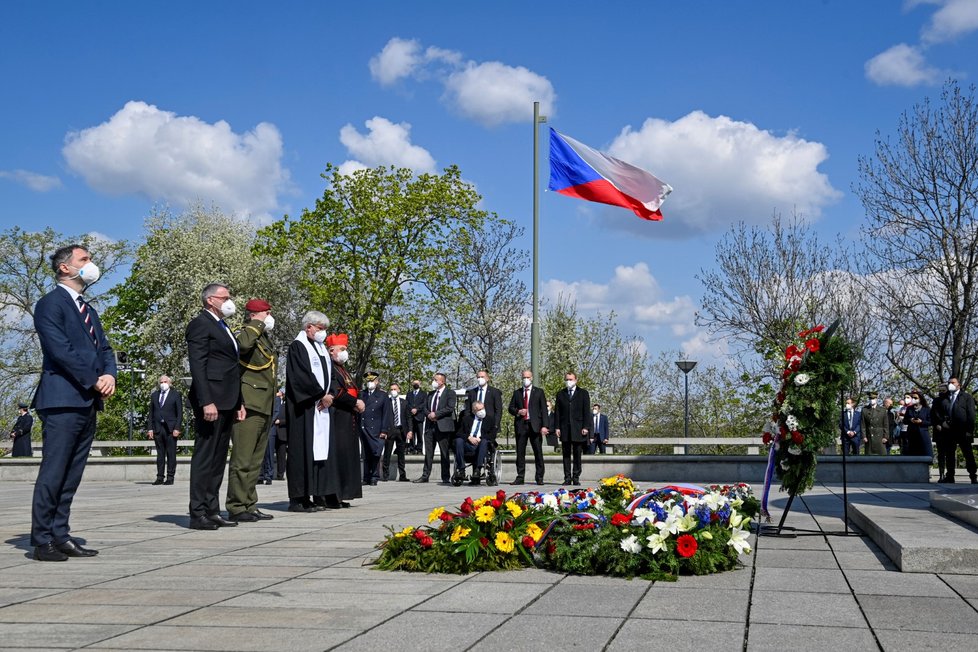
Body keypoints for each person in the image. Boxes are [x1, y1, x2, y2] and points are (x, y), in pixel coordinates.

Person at [30, 244, 116, 560]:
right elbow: (60, 349)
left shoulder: (88, 309)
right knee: (54, 471)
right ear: (65, 267)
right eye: (84, 259)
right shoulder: (50, 305)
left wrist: (109, 376)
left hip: (86, 400)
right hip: (62, 400)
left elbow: (105, 349)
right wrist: (93, 378)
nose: (91, 264)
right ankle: (41, 540)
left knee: (72, 474)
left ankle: (60, 534)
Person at [186, 283, 245, 531]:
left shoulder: (223, 325)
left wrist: (239, 401)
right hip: (211, 400)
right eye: (225, 297)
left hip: (228, 399)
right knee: (205, 455)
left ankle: (213, 509)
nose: (229, 301)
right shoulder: (200, 323)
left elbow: (232, 367)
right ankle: (197, 511)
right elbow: (198, 365)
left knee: (219, 457)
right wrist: (205, 400)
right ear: (210, 300)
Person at [225, 299, 277, 523]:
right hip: (249, 403)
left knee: (255, 460)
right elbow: (243, 347)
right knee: (242, 459)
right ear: (257, 314)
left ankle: (249, 503)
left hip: (264, 403)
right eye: (266, 312)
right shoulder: (246, 332)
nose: (269, 317)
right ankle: (236, 506)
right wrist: (256, 324)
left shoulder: (262, 336)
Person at [285, 312, 334, 512]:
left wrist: (328, 394)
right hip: (303, 407)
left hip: (320, 407)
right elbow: (301, 377)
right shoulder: (298, 347)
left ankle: (313, 494)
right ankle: (298, 498)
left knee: (317, 451)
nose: (323, 332)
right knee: (301, 450)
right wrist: (320, 394)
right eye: (320, 328)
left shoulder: (320, 348)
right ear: (309, 327)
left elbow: (327, 375)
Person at [323, 333, 364, 508]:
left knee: (347, 456)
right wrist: (355, 402)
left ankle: (343, 494)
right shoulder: (330, 367)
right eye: (343, 349)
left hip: (349, 417)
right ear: (332, 350)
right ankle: (333, 496)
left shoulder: (343, 369)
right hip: (338, 417)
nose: (345, 353)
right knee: (337, 456)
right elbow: (337, 391)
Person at [507, 369, 548, 485]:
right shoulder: (517, 393)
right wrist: (518, 411)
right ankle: (520, 476)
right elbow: (510, 408)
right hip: (521, 425)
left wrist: (545, 426)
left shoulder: (539, 392)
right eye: (524, 377)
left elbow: (544, 410)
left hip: (535, 425)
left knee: (538, 452)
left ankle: (539, 477)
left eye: (528, 377)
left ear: (532, 378)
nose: (526, 379)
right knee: (520, 452)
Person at [414, 373, 456, 484]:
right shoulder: (430, 394)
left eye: (435, 380)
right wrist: (429, 415)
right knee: (428, 452)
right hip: (429, 427)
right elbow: (425, 407)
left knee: (444, 452)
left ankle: (445, 477)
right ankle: (425, 475)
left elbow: (449, 408)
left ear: (442, 381)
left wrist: (436, 414)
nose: (433, 381)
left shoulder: (450, 393)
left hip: (443, 427)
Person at [933, 377, 977, 484]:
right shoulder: (943, 398)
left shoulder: (966, 397)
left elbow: (971, 415)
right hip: (948, 431)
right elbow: (937, 412)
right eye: (949, 383)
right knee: (949, 454)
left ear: (959, 385)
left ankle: (972, 475)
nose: (950, 384)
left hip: (963, 431)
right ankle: (950, 476)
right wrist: (942, 422)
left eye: (953, 382)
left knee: (968, 453)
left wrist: (969, 430)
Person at [463, 370, 503, 485]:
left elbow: (498, 410)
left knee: (484, 443)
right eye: (478, 377)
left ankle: (480, 469)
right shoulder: (472, 392)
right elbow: (467, 410)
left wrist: (495, 425)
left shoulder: (495, 392)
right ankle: (475, 474)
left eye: (482, 376)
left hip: (488, 426)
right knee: (471, 445)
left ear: (487, 378)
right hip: (474, 425)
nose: (480, 379)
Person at [554, 371, 591, 485]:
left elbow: (586, 411)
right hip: (565, 428)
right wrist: (557, 427)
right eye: (567, 379)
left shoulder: (583, 393)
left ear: (576, 380)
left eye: (570, 379)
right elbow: (557, 412)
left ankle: (576, 477)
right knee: (565, 454)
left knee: (577, 454)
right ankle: (567, 477)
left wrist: (586, 426)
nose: (568, 382)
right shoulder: (560, 394)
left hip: (578, 428)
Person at [146, 375, 183, 485]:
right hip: (158, 428)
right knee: (160, 454)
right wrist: (150, 429)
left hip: (170, 429)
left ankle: (170, 477)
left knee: (171, 454)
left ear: (170, 383)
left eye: (165, 381)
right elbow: (151, 413)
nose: (163, 383)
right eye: (161, 382)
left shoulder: (175, 395)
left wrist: (177, 428)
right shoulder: (154, 395)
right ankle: (160, 477)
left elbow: (179, 413)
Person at [359, 372, 391, 486]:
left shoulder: (383, 395)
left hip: (376, 429)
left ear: (377, 382)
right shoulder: (362, 394)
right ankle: (366, 476)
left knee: (375, 453)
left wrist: (384, 430)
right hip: (364, 428)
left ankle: (375, 476)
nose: (370, 383)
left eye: (372, 381)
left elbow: (386, 414)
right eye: (368, 381)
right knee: (365, 453)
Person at [454, 400, 491, 486]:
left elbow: (492, 434)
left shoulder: (489, 419)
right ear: (474, 411)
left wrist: (480, 438)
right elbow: (459, 433)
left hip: (481, 445)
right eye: (479, 409)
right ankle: (461, 469)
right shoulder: (467, 419)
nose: (482, 411)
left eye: (483, 408)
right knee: (458, 440)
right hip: (468, 444)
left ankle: (478, 469)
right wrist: (469, 437)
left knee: (484, 442)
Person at [382, 382, 412, 482]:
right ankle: (385, 475)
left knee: (401, 454)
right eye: (391, 389)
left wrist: (410, 430)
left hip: (401, 430)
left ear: (399, 390)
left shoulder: (404, 402)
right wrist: (384, 431)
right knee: (387, 453)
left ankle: (402, 475)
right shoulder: (387, 402)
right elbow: (383, 417)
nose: (393, 391)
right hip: (390, 431)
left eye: (395, 389)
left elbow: (408, 418)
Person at [259, 389, 284, 485]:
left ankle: (269, 475)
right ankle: (260, 475)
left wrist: (268, 422)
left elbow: (276, 412)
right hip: (261, 426)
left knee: (269, 453)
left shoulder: (276, 398)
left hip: (270, 428)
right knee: (261, 452)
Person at [901, 389, 932, 458]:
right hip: (912, 435)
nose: (913, 399)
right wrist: (910, 420)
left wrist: (921, 422)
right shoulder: (909, 409)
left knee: (925, 454)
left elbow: (930, 422)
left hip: (923, 435)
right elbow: (905, 421)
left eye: (915, 398)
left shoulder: (926, 409)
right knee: (912, 455)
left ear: (920, 398)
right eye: (912, 398)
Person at [860, 391, 888, 456]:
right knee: (869, 457)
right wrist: (864, 436)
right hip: (869, 437)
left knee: (882, 456)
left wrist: (885, 436)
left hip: (880, 437)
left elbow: (886, 425)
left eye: (873, 399)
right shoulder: (864, 410)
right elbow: (863, 424)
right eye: (870, 399)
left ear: (876, 399)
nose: (872, 400)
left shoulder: (882, 410)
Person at [405, 379, 426, 454]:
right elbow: (407, 403)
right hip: (411, 417)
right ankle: (412, 448)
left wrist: (417, 409)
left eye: (417, 383)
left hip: (419, 416)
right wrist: (411, 409)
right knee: (411, 433)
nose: (415, 384)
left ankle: (419, 449)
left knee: (420, 434)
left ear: (420, 384)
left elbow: (424, 403)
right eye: (414, 383)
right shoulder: (409, 394)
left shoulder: (423, 394)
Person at [272, 389, 288, 481]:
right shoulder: (274, 403)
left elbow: (289, 419)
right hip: (273, 432)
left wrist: (280, 422)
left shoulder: (286, 406)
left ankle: (280, 474)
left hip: (282, 433)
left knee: (281, 455)